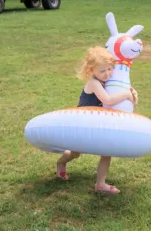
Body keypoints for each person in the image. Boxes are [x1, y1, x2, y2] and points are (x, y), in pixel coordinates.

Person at [55, 46, 138, 195]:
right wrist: (125, 95)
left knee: (106, 152)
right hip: (83, 123)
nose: (107, 74)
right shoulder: (94, 83)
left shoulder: (108, 80)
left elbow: (119, 89)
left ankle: (100, 184)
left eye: (109, 69)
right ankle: (61, 162)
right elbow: (108, 99)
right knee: (75, 153)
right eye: (102, 71)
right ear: (90, 71)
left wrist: (131, 92)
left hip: (98, 123)